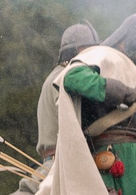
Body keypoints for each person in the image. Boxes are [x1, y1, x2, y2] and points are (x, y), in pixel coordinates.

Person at [60, 13, 136, 195]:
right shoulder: (102, 55)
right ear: (135, 39)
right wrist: (118, 91)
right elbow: (73, 77)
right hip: (114, 158)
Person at [32, 20, 96, 165]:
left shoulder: (58, 74)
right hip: (61, 164)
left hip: (56, 161)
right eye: (88, 50)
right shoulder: (65, 78)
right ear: (76, 50)